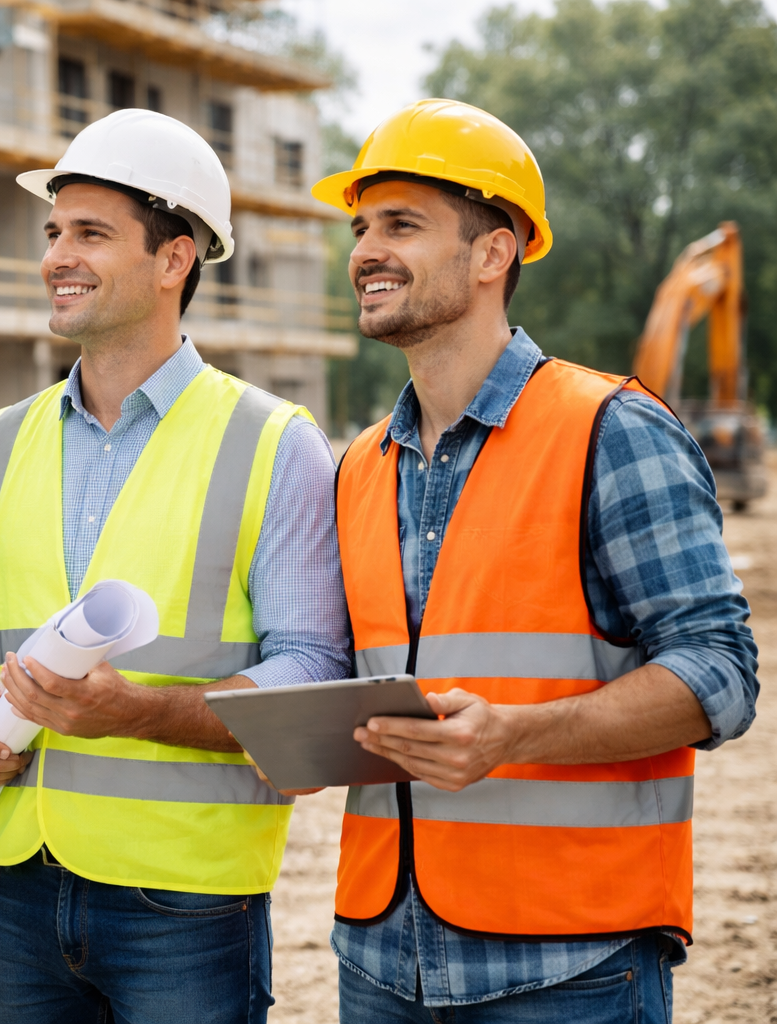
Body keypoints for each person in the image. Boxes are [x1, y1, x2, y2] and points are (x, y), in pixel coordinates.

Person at [314, 98, 760, 1021]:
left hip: (571, 964)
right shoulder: (360, 465)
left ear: (493, 252)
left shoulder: (611, 429)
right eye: (361, 227)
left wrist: (517, 735)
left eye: (402, 223)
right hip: (380, 957)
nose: (365, 250)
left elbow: (721, 675)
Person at [0, 108, 352, 1024]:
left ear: (176, 259)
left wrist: (138, 711)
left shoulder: (275, 445)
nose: (57, 255)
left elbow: (316, 670)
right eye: (54, 231)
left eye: (91, 232)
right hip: (18, 884)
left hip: (187, 900)